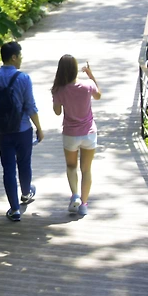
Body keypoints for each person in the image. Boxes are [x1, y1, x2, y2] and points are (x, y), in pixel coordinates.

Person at [0, 41, 44, 221]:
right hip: (22, 128)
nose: (21, 59)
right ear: (14, 57)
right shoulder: (23, 78)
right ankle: (26, 193)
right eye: (20, 56)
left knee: (8, 168)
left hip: (1, 130)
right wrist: (39, 128)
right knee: (24, 163)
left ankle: (14, 209)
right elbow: (30, 107)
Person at [51, 54, 101, 217]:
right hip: (89, 134)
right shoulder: (88, 85)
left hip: (70, 134)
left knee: (71, 167)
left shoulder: (59, 89)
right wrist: (91, 75)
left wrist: (56, 96)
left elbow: (57, 112)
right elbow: (98, 95)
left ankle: (75, 196)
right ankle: (84, 205)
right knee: (86, 170)